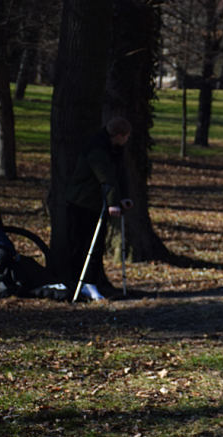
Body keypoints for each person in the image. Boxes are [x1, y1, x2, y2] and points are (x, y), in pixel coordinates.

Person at [65, 117, 134, 301]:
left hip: (96, 203)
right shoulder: (96, 148)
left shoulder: (115, 149)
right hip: (81, 202)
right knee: (79, 244)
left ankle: (91, 282)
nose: (128, 139)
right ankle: (76, 283)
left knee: (96, 245)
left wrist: (124, 197)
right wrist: (113, 203)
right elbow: (106, 177)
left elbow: (121, 174)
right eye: (126, 136)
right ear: (119, 135)